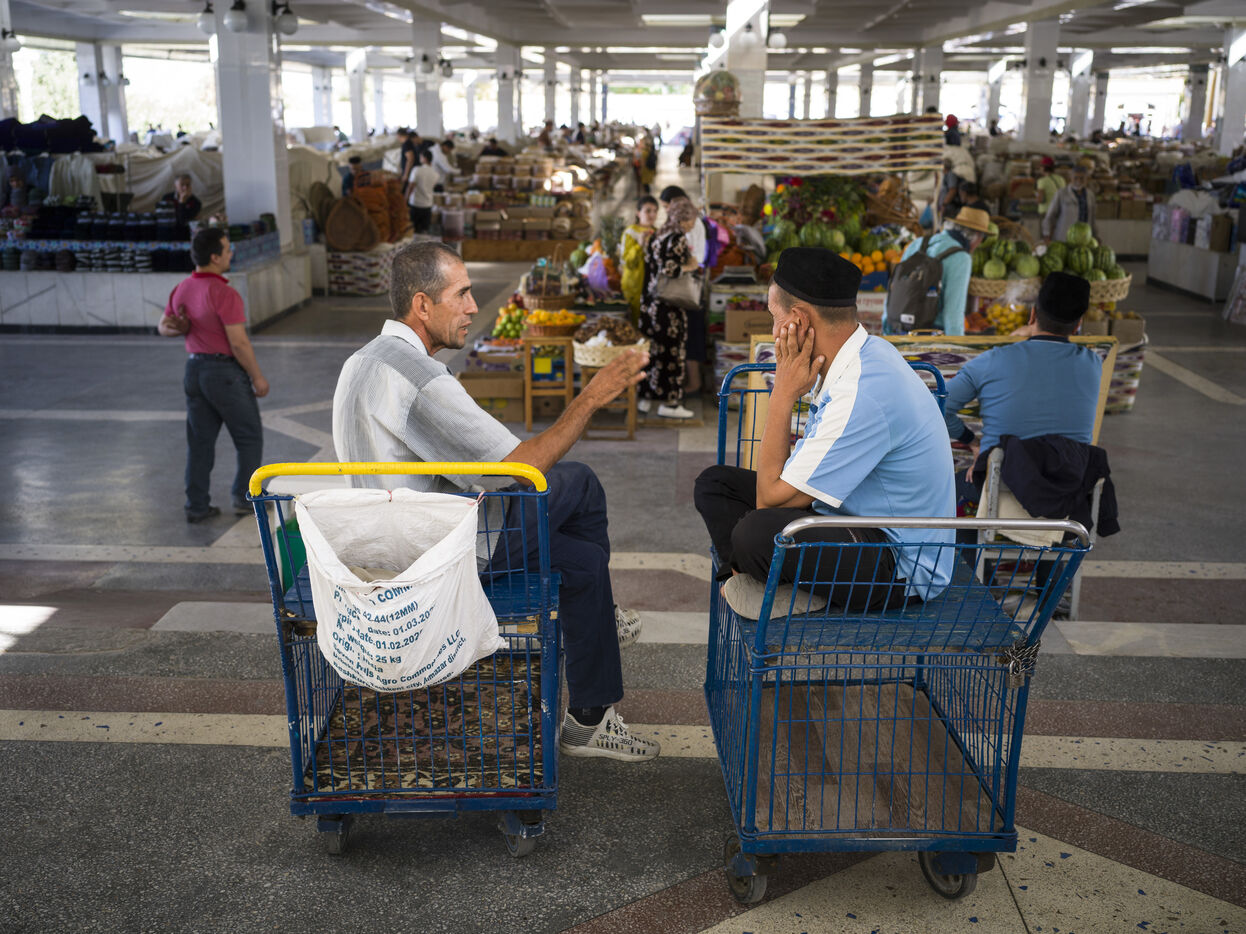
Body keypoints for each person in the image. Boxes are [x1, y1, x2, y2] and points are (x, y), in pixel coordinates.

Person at [331, 241, 660, 761]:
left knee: (584, 564)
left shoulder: (362, 360)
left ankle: (590, 715)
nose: (472, 307)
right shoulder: (419, 379)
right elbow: (520, 467)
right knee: (577, 481)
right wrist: (592, 397)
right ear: (422, 305)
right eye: (461, 295)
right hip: (439, 554)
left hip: (390, 543)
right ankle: (601, 628)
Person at [693, 248, 956, 610]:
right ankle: (748, 581)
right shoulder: (865, 352)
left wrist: (782, 395)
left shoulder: (862, 392)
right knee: (715, 485)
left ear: (798, 320)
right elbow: (783, 486)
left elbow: (769, 501)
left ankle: (776, 588)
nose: (774, 331)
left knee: (756, 532)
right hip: (847, 518)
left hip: (898, 566)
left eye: (774, 317)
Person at [157, 227, 268, 523]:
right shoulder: (223, 293)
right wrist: (257, 377)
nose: (231, 254)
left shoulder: (182, 288)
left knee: (200, 443)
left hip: (194, 371)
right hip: (224, 374)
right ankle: (245, 497)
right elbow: (238, 343)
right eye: (228, 249)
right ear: (215, 257)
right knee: (249, 437)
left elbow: (163, 326)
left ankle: (196, 505)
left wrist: (179, 329)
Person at [944, 271, 1103, 474]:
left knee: (954, 486)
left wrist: (972, 442)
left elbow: (939, 408)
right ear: (1078, 325)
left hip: (1001, 482)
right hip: (1070, 485)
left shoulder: (992, 361)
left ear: (1032, 315)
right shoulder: (1093, 364)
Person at [637, 198, 700, 420]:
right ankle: (670, 403)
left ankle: (645, 400)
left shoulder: (658, 235)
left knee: (653, 354)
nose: (693, 224)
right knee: (673, 356)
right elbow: (670, 270)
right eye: (692, 219)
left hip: (651, 306)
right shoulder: (677, 238)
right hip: (669, 308)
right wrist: (690, 265)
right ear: (684, 218)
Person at [896, 205, 989, 335]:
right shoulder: (961, 257)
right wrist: (956, 344)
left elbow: (896, 284)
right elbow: (954, 311)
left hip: (901, 328)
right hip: (931, 334)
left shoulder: (918, 243)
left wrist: (887, 329)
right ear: (976, 237)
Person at [620, 195, 658, 318]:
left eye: (655, 211)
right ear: (638, 213)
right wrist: (639, 245)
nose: (652, 215)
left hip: (654, 286)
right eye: (648, 211)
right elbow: (628, 262)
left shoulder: (657, 233)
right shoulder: (630, 232)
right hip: (635, 286)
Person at [1042, 165, 1097, 243]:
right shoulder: (1061, 193)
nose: (1078, 180)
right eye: (1075, 178)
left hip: (1085, 239)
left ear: (1086, 179)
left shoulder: (1090, 195)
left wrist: (1095, 235)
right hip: (1064, 237)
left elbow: (1092, 219)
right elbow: (1050, 216)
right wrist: (1046, 234)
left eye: (1082, 178)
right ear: (1070, 178)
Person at [404, 148, 438, 234]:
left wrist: (405, 199)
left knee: (413, 230)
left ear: (425, 158)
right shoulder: (435, 174)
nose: (420, 159)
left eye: (421, 157)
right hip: (427, 205)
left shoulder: (417, 170)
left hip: (416, 204)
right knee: (424, 231)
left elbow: (410, 186)